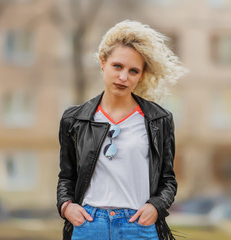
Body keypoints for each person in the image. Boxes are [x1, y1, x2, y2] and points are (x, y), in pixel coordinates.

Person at [57, 20, 186, 240]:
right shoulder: (75, 119)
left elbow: (168, 180)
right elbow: (67, 177)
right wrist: (66, 206)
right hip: (89, 225)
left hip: (139, 225)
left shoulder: (158, 120)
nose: (123, 77)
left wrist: (156, 207)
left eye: (133, 71)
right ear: (103, 62)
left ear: (141, 76)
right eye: (117, 66)